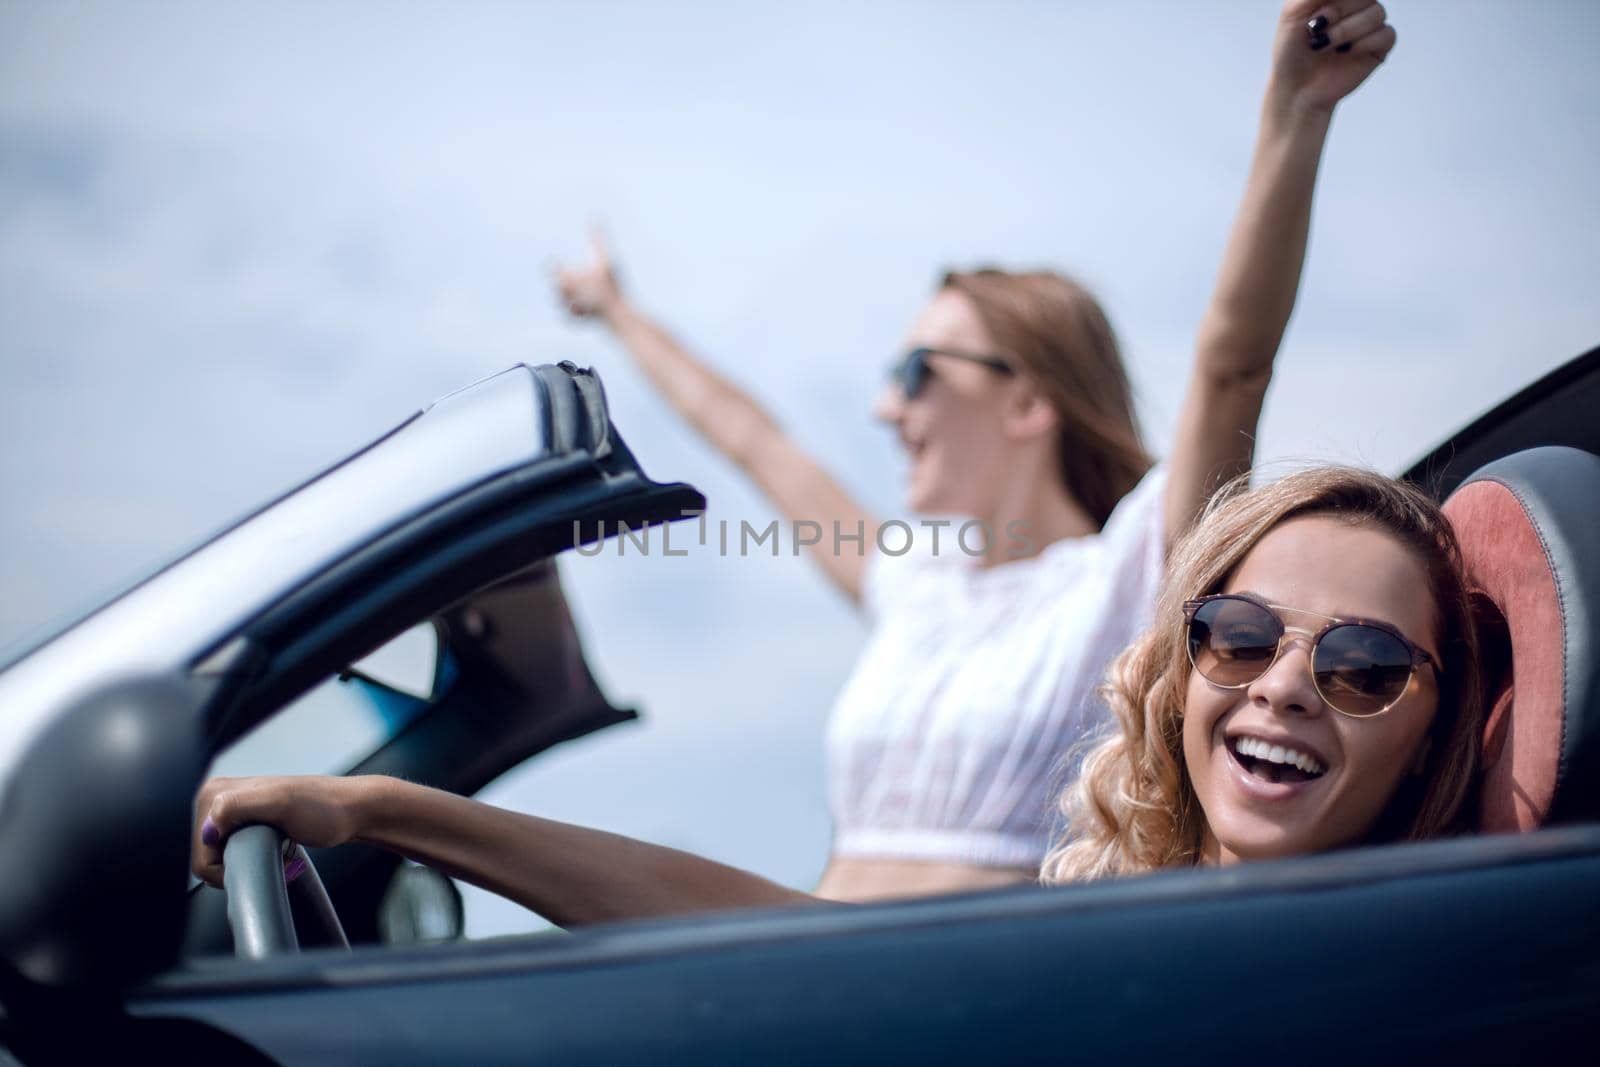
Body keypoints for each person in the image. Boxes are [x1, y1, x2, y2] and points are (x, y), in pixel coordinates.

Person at [545, 0, 1400, 901]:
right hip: (805, 985)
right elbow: (752, 438)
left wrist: (1295, 113)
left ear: (1029, 401)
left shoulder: (1131, 579)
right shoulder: (915, 583)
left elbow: (1232, 368)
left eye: (918, 370)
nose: (884, 405)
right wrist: (617, 310)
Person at [192, 466, 1487, 924]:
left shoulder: (1384, 983)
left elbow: (1226, 362)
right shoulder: (1126, 913)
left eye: (1363, 663)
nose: (1284, 686)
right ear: (1184, 656)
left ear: (1437, 724)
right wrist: (382, 807)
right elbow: (780, 939)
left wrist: (1292, 120)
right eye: (1238, 633)